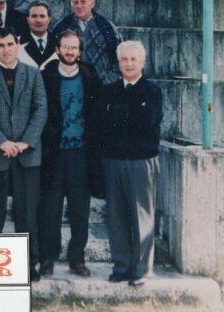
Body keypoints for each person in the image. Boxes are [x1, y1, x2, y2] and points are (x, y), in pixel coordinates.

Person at [0, 27, 47, 282]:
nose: (6, 49)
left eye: (10, 44)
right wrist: (2, 142)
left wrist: (25, 142)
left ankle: (29, 265)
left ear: (17, 45)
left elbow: (41, 110)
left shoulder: (33, 74)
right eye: (0, 45)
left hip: (27, 154)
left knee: (27, 213)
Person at [94, 40, 162, 287]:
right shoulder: (109, 91)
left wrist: (120, 115)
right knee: (117, 216)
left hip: (141, 161)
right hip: (113, 161)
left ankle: (142, 270)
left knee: (141, 216)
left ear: (142, 62)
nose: (129, 63)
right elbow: (103, 124)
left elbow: (148, 122)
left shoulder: (152, 91)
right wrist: (129, 113)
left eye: (134, 59)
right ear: (118, 63)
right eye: (124, 59)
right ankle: (121, 267)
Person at [38, 30, 103, 279]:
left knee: (80, 209)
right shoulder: (46, 77)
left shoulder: (90, 77)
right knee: (50, 208)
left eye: (74, 47)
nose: (69, 51)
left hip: (81, 153)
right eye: (65, 47)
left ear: (79, 50)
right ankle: (47, 257)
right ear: (57, 49)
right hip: (54, 153)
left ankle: (77, 258)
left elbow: (97, 117)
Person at [51, 0, 122, 84]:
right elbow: (52, 56)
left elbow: (120, 57)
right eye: (75, 2)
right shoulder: (62, 26)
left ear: (92, 4)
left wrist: (109, 80)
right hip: (69, 84)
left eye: (83, 1)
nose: (79, 6)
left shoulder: (107, 27)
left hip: (102, 87)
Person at [19, 0, 55, 68]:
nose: (38, 20)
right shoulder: (16, 44)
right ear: (27, 20)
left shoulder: (59, 44)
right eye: (34, 16)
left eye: (42, 16)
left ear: (49, 19)